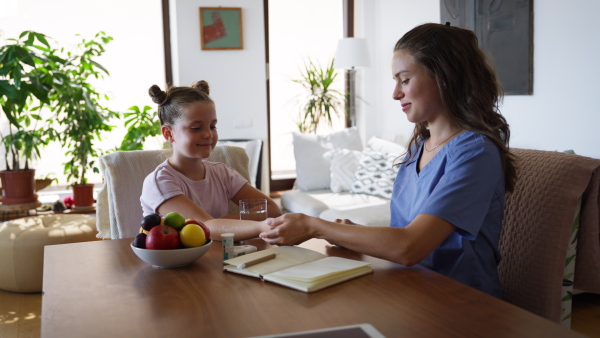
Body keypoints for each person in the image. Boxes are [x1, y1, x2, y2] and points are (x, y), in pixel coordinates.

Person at [260, 23, 516, 297]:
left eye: (404, 80)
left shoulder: (475, 152)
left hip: (460, 302)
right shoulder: (419, 147)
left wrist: (316, 226)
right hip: (409, 289)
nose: (395, 93)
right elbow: (404, 234)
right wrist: (352, 235)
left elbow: (409, 247)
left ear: (444, 77)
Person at [141, 81, 282, 241]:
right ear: (168, 133)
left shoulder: (222, 173)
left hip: (222, 257)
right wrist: (256, 224)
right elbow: (205, 228)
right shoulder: (160, 182)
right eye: (196, 128)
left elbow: (271, 209)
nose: (208, 134)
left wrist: (219, 225)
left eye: (213, 126)